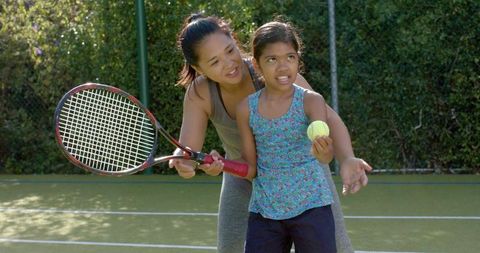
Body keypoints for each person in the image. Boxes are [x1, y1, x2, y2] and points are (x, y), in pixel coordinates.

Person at [169, 13, 372, 253]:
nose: (229, 63)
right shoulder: (199, 93)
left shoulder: (270, 68)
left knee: (337, 247)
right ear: (198, 68)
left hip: (302, 171)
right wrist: (186, 163)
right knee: (230, 248)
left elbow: (328, 117)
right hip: (243, 174)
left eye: (230, 50)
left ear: (235, 40)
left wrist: (347, 158)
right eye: (214, 62)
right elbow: (188, 152)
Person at [238, 20, 336, 253]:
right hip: (265, 212)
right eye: (272, 59)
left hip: (312, 207)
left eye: (290, 57)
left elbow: (326, 157)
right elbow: (250, 169)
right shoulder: (245, 108)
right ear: (257, 64)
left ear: (298, 60)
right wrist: (222, 165)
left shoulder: (312, 101)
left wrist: (324, 151)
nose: (283, 67)